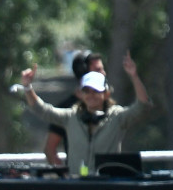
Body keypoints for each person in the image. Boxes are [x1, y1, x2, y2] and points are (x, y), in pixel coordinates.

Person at [21, 52, 151, 175]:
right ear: (80, 94)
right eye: (87, 91)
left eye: (96, 91)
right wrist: (27, 87)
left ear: (106, 94)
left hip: (108, 187)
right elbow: (42, 110)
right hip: (78, 187)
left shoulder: (117, 116)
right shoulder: (71, 117)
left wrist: (134, 76)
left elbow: (143, 106)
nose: (91, 95)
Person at [43, 51, 105, 166]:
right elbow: (50, 149)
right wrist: (66, 177)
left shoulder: (108, 105)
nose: (103, 73)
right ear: (84, 73)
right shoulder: (65, 109)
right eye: (98, 70)